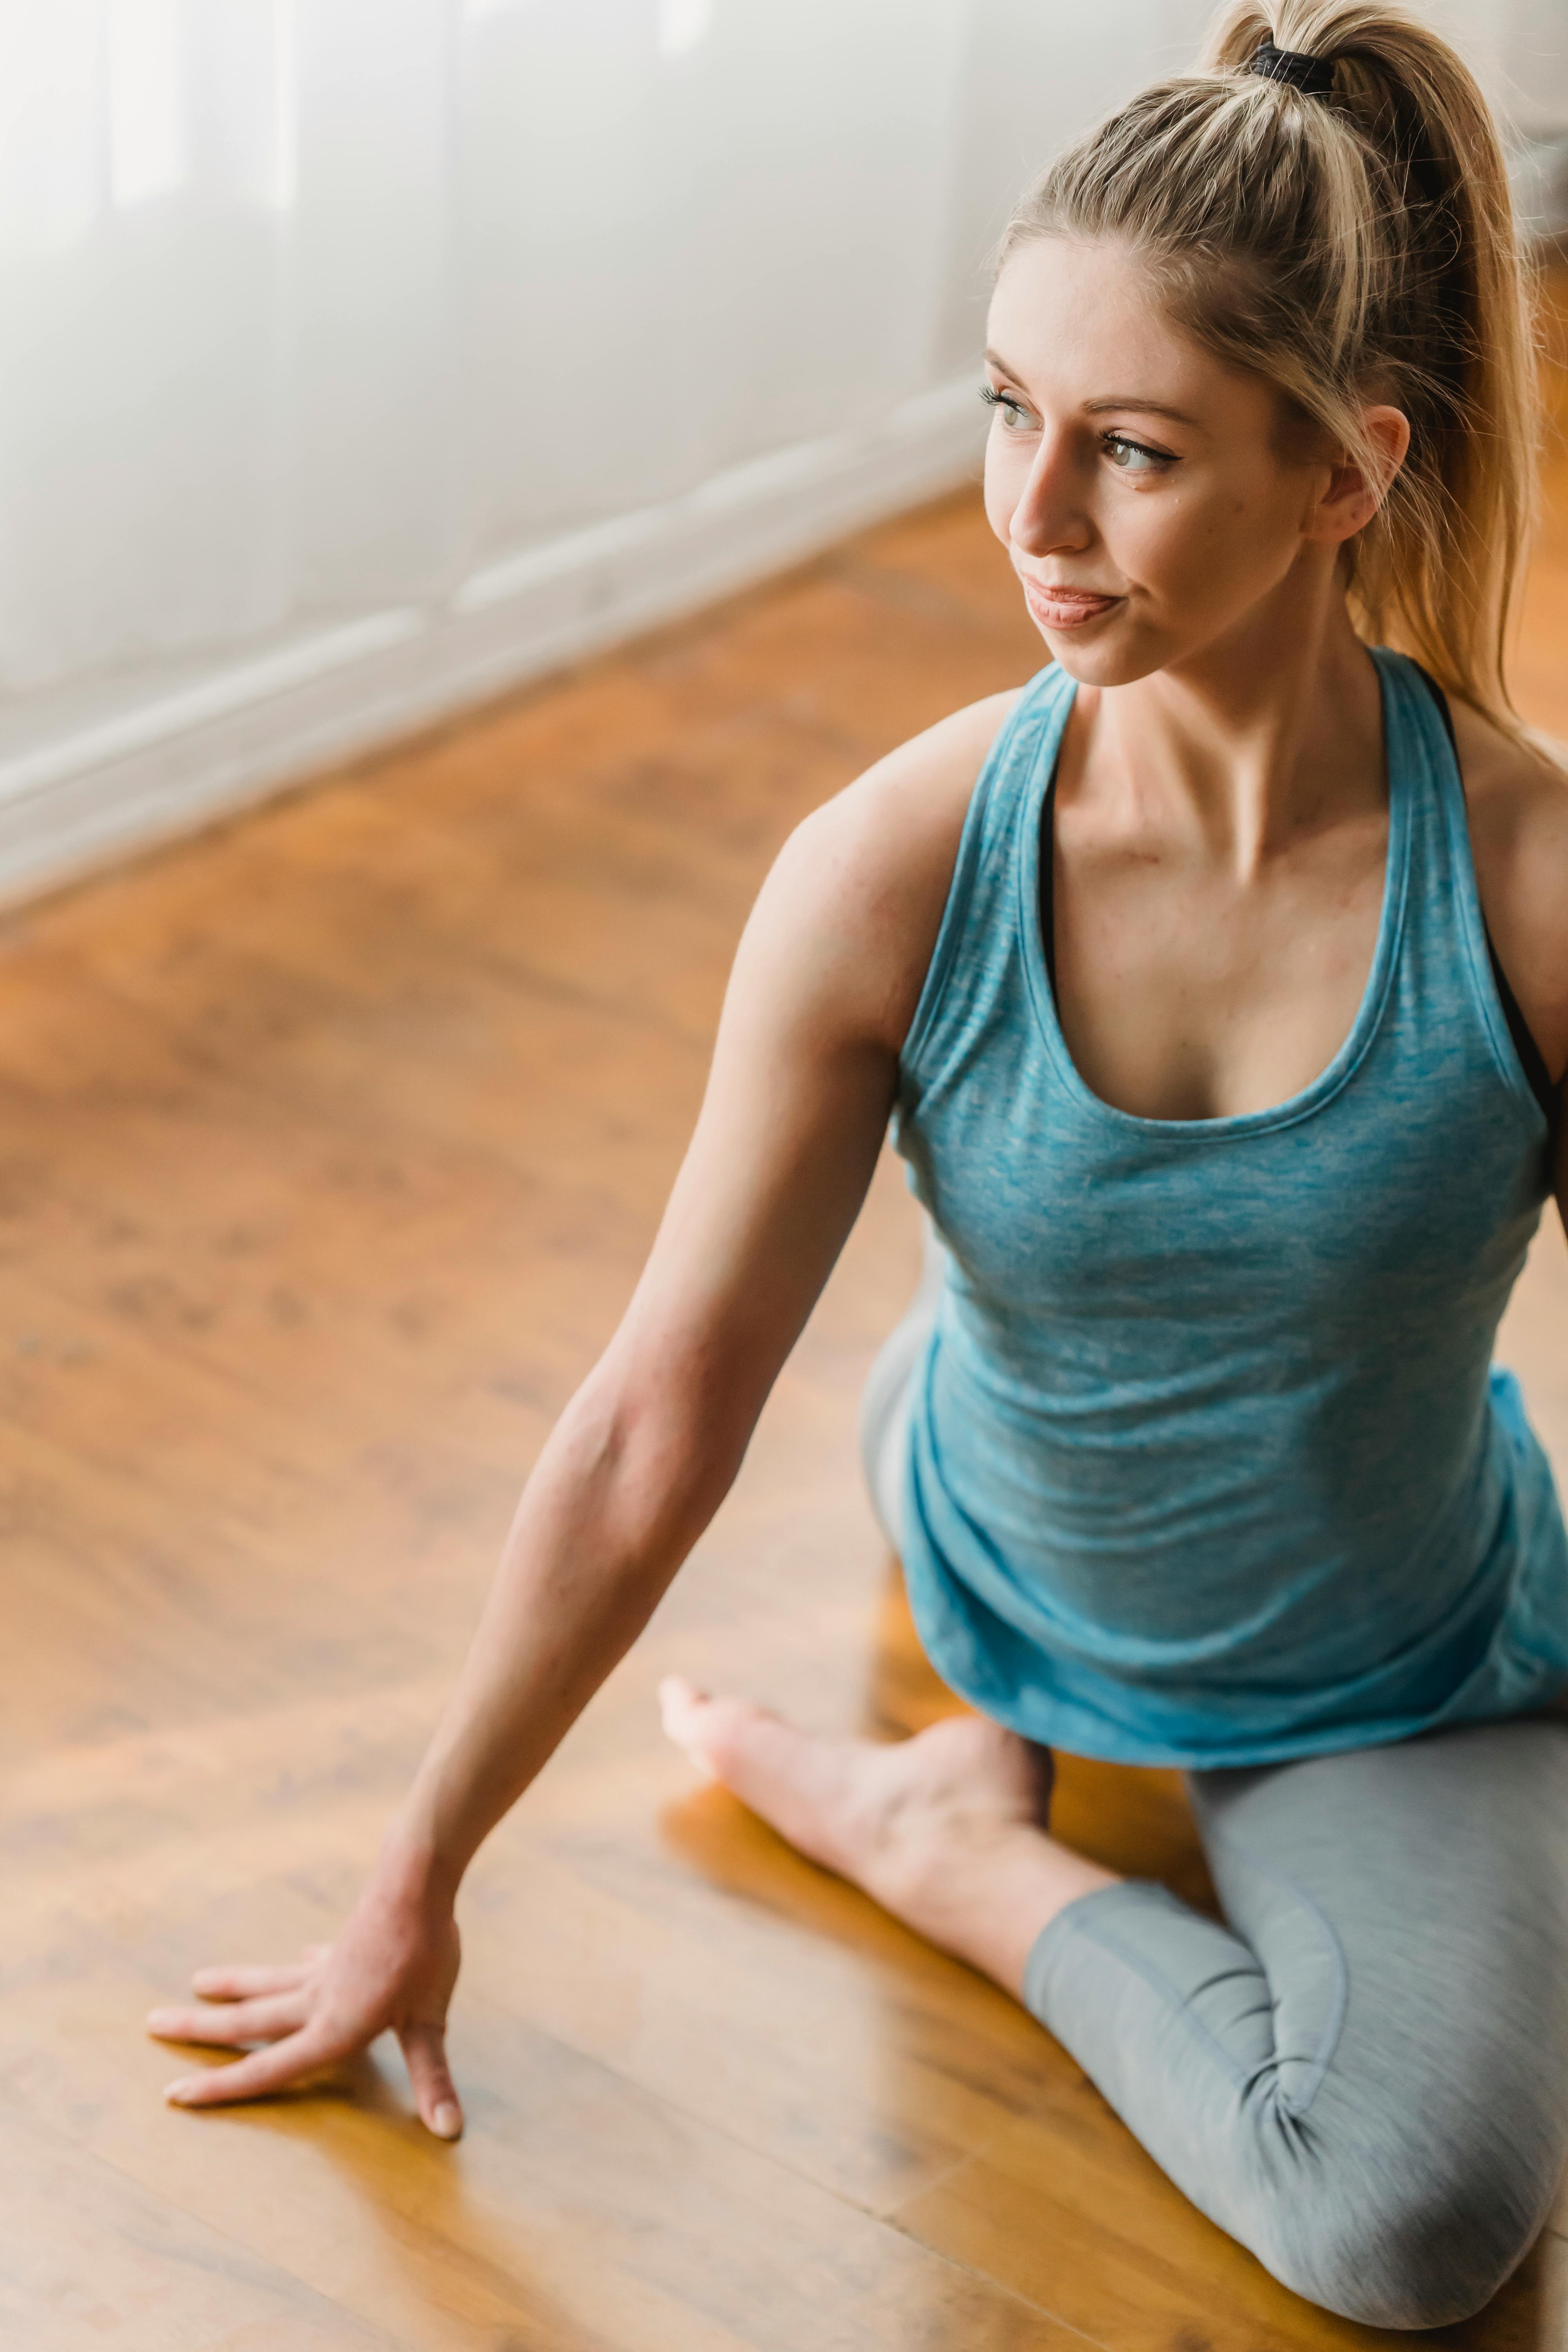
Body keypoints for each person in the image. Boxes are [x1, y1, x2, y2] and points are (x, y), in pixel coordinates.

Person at [148, 0, 1568, 2327]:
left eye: (1130, 450)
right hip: (996, 1543)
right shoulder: (893, 870)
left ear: (1346, 473)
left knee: (1411, 2229)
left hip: (1386, 1651)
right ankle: (961, 1770)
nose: (1032, 517)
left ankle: (956, 1851)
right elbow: (654, 1421)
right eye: (1009, 409)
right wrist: (413, 1874)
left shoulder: (1526, 887)